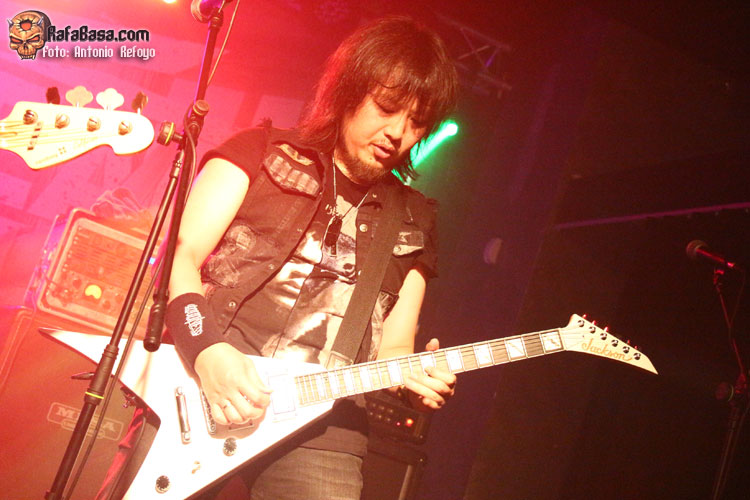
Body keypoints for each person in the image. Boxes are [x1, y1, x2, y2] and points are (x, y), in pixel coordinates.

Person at [100, 15, 460, 500]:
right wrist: (207, 352)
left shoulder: (416, 218)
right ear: (350, 90)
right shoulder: (258, 152)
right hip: (203, 384)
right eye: (386, 107)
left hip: (326, 428)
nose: (397, 132)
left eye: (416, 122)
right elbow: (179, 258)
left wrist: (414, 376)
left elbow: (393, 345)